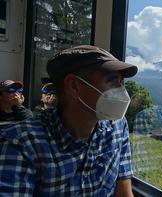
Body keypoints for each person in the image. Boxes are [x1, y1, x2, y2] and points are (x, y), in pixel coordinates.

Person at [0, 45, 138, 196]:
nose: (121, 91)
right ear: (74, 86)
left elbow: (124, 192)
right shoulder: (22, 143)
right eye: (112, 81)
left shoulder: (118, 126)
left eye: (120, 81)